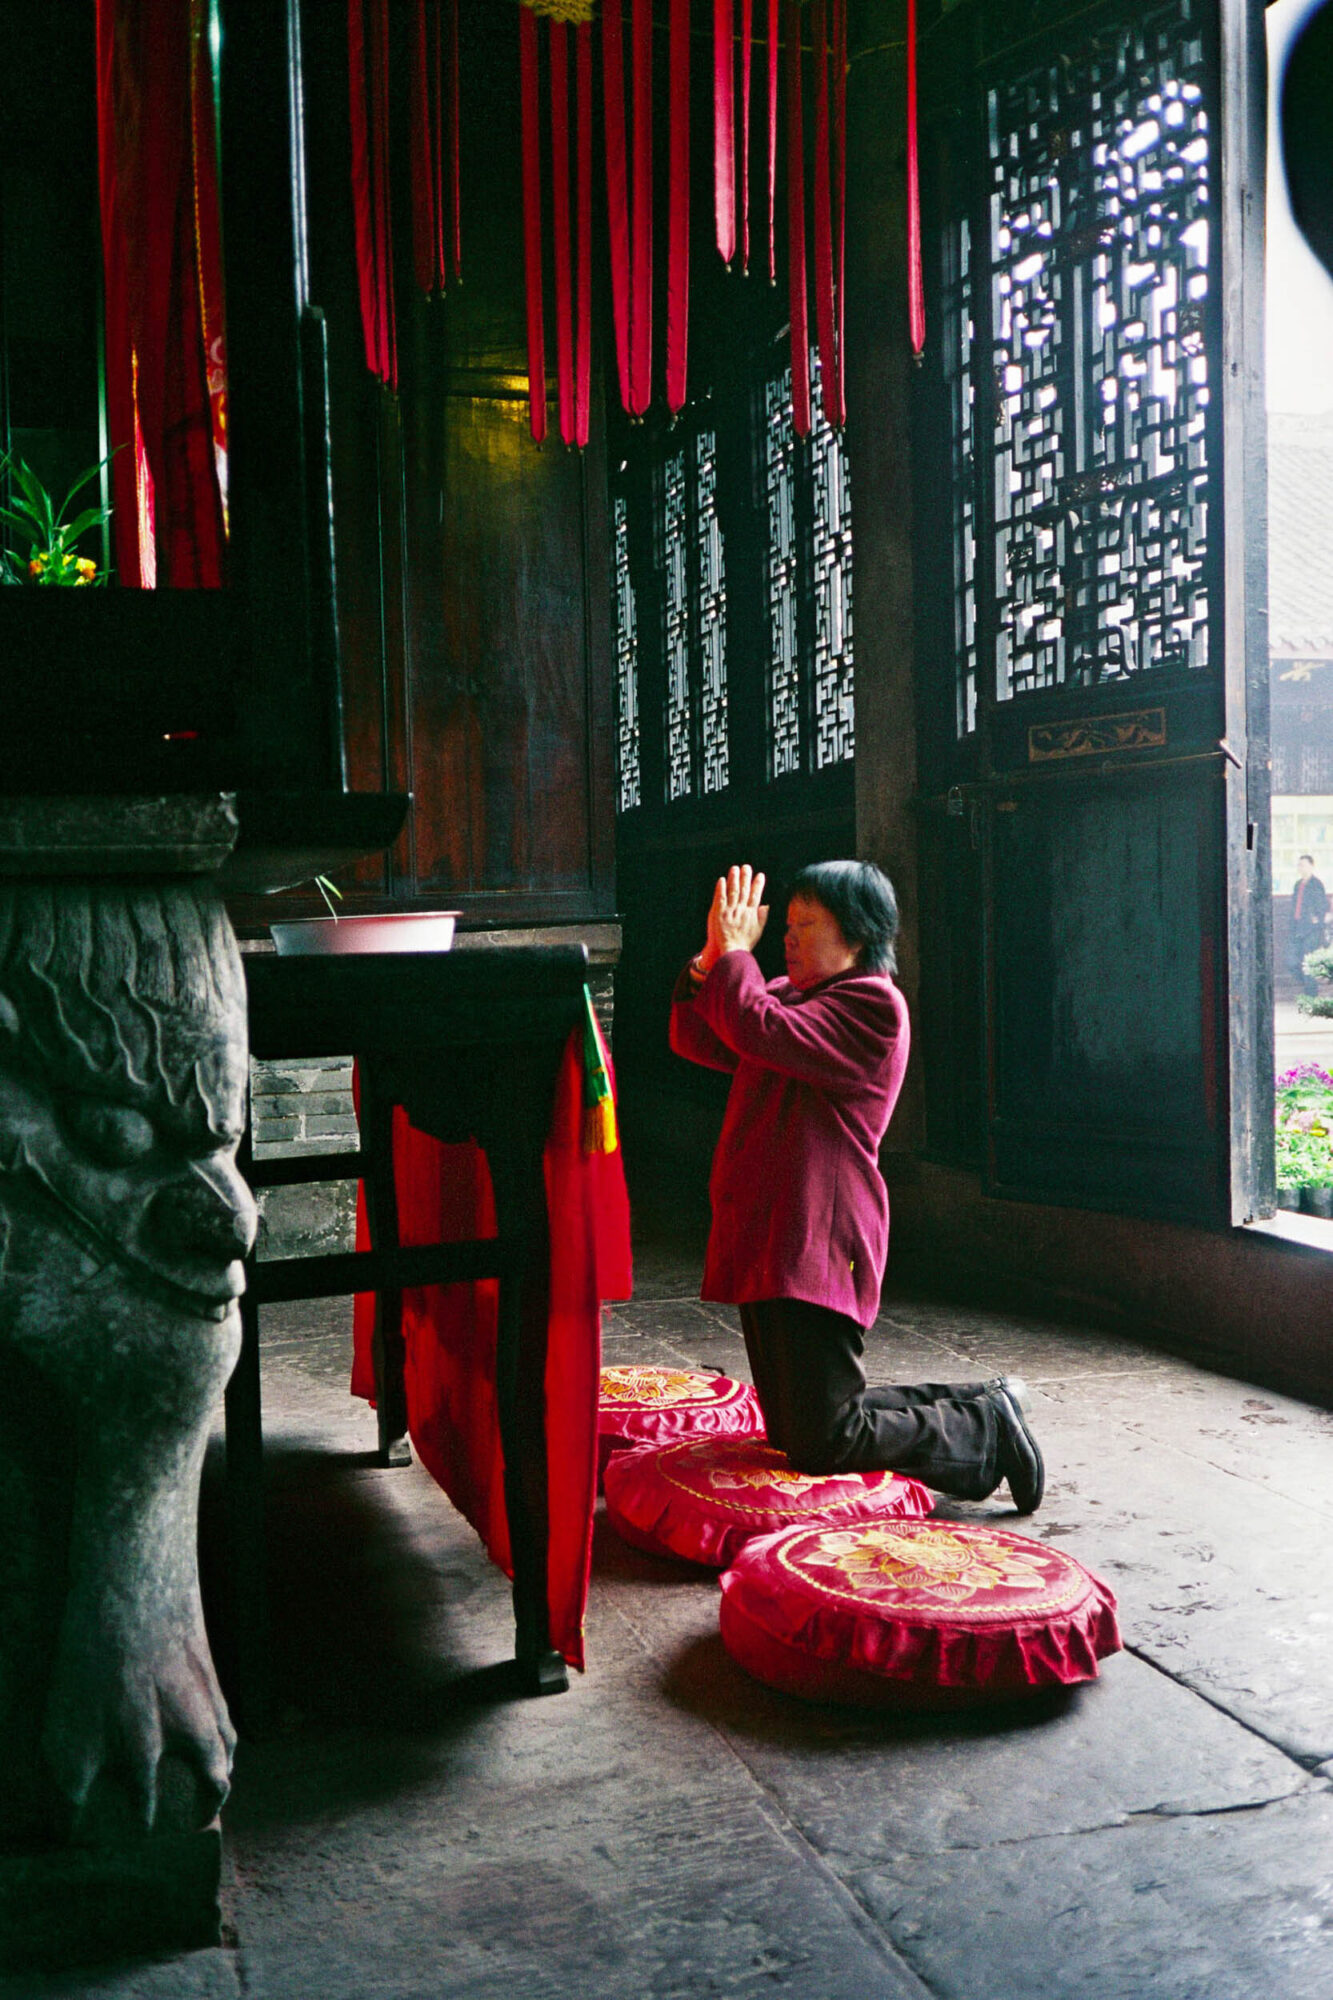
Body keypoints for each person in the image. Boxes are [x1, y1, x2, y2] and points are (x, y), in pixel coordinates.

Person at [669, 860, 1045, 1511]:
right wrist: (710, 958)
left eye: (806, 925)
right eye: (786, 924)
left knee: (825, 1438)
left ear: (858, 933)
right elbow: (701, 1038)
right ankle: (978, 1402)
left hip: (818, 1234)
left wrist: (735, 955)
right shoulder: (787, 996)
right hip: (769, 1230)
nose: (786, 938)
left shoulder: (873, 1006)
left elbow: (755, 1025)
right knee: (798, 1429)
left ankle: (984, 1429)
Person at [1290, 855, 1327, 999]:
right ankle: (1308, 988)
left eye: (1303, 865)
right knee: (1293, 961)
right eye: (1299, 865)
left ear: (1311, 866)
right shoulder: (1298, 884)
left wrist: (1318, 919)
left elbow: (1322, 904)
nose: (1300, 868)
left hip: (1311, 929)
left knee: (1308, 961)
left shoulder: (1316, 884)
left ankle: (1311, 994)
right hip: (1297, 927)